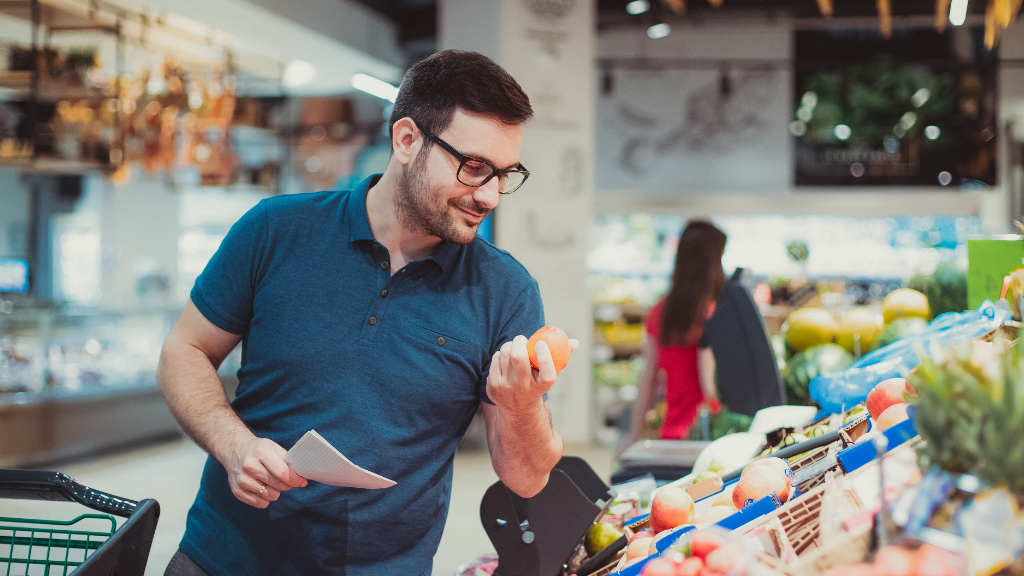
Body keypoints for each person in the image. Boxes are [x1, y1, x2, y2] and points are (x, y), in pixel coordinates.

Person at [157, 50, 578, 576]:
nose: (490, 195)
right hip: (222, 558)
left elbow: (526, 479)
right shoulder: (276, 230)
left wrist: (522, 406)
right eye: (474, 168)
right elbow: (184, 350)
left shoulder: (505, 290)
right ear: (407, 140)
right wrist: (234, 446)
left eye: (505, 173)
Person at [624, 221, 727, 448]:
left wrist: (633, 437)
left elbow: (649, 379)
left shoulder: (660, 313)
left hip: (674, 435)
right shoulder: (720, 311)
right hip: (717, 434)